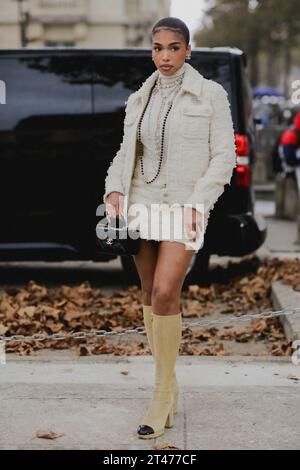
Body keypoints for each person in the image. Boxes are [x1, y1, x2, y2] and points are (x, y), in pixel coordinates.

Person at [103, 17, 237, 439]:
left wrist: (200, 203)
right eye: (158, 48)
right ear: (151, 51)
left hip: (185, 207)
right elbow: (127, 153)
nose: (165, 56)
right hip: (141, 203)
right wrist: (112, 191)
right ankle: (169, 384)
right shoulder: (139, 98)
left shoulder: (211, 95)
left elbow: (223, 158)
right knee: (147, 293)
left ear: (188, 50)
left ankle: (161, 394)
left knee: (165, 292)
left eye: (174, 47)